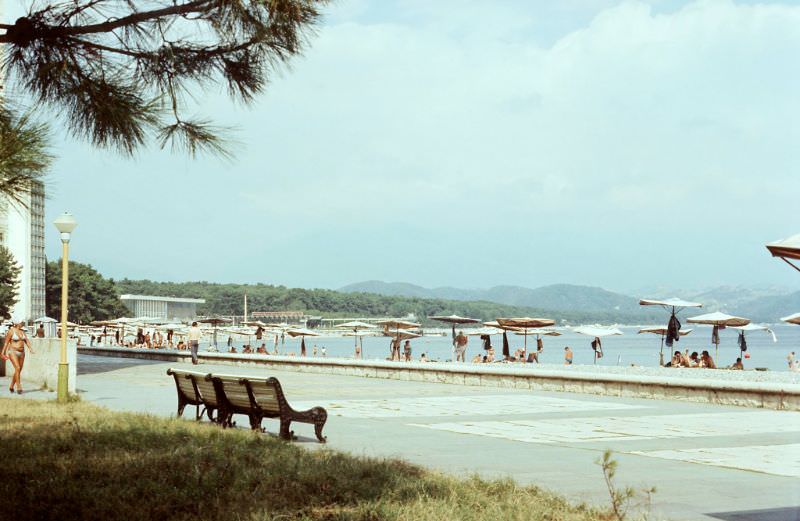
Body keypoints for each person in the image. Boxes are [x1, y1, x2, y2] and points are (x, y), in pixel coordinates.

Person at [2, 321, 34, 394]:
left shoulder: (22, 332)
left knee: (18, 370)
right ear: (17, 323)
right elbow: (6, 342)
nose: (22, 324)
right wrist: (2, 353)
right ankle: (19, 386)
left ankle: (11, 386)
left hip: (22, 352)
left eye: (23, 322)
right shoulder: (11, 331)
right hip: (13, 351)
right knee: (18, 368)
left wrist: (30, 348)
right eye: (21, 323)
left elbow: (26, 341)